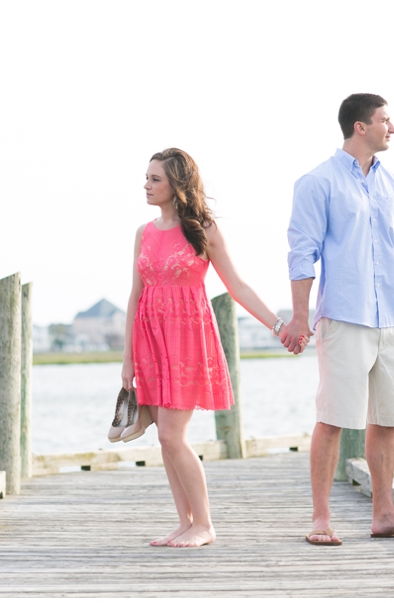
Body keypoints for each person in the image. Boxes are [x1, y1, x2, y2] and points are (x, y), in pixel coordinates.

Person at [280, 94, 394, 544]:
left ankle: (384, 514)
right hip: (345, 317)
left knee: (387, 419)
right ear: (360, 126)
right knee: (333, 418)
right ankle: (321, 519)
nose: (393, 127)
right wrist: (300, 317)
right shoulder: (317, 182)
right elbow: (301, 253)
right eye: (386, 119)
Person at [121, 148, 294, 548]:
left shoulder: (204, 229)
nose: (146, 185)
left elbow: (238, 286)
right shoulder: (143, 233)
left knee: (171, 435)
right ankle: (185, 522)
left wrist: (278, 326)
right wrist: (128, 357)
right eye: (146, 178)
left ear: (177, 184)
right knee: (164, 437)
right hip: (150, 339)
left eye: (155, 179)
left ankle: (205, 524)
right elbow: (135, 294)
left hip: (187, 340)